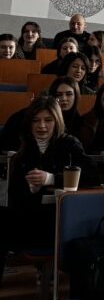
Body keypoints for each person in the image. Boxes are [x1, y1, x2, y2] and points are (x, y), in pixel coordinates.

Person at [0, 97, 98, 283]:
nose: (42, 126)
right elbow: (13, 198)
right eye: (36, 121)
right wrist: (31, 190)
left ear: (57, 121)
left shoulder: (69, 144)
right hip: (29, 220)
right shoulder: (23, 151)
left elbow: (93, 176)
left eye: (48, 120)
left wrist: (51, 179)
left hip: (60, 220)